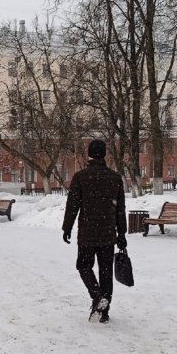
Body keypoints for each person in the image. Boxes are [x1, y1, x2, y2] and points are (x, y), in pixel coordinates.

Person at [62, 139, 127, 324]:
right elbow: (120, 209)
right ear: (105, 154)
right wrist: (121, 233)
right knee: (105, 272)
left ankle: (97, 296)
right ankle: (104, 311)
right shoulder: (115, 178)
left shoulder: (81, 177)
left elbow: (72, 206)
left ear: (90, 154)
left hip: (87, 234)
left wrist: (67, 227)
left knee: (83, 266)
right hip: (107, 234)